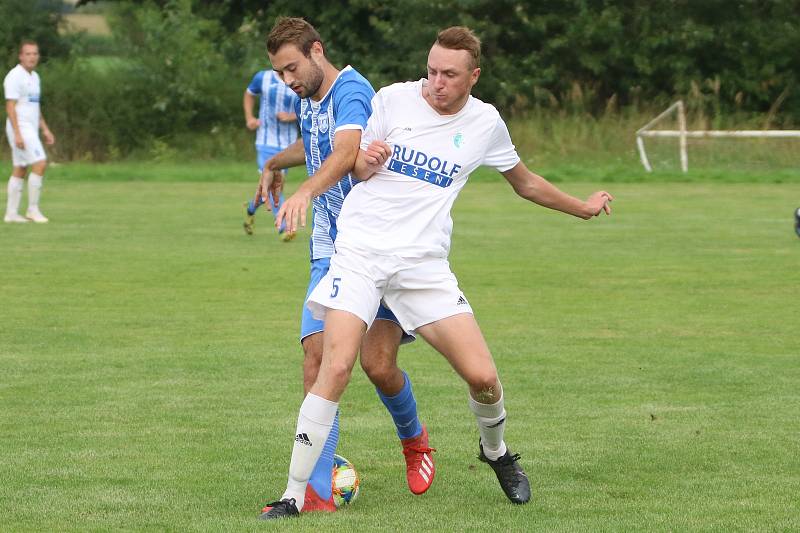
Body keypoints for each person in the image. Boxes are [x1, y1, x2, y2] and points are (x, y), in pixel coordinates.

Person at [260, 26, 614, 519]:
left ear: (473, 76)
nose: (436, 83)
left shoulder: (486, 123)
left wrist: (582, 208)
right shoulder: (392, 99)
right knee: (334, 366)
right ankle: (294, 496)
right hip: (359, 254)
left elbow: (525, 182)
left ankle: (496, 452)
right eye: (431, 70)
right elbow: (355, 165)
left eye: (449, 74)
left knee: (483, 378)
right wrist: (365, 159)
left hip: (422, 268)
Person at [254, 17, 435, 517]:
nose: (288, 80)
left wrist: (306, 191)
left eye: (292, 68)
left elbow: (345, 151)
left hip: (378, 247)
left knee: (378, 366)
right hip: (330, 250)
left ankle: (414, 439)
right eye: (280, 73)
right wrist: (274, 164)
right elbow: (311, 149)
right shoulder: (305, 97)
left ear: (317, 50)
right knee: (318, 360)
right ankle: (313, 494)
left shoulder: (352, 91)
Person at [241, 67, 298, 239]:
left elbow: (309, 107)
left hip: (288, 144)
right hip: (265, 142)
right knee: (273, 184)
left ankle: (251, 209)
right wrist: (249, 118)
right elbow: (249, 94)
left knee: (272, 187)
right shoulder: (263, 77)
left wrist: (291, 116)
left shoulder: (298, 78)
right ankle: (284, 227)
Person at [4, 40, 55, 224]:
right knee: (40, 163)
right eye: (28, 53)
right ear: (21, 56)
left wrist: (45, 129)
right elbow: (10, 106)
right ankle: (33, 210)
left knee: (20, 167)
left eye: (35, 53)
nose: (32, 57)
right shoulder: (14, 76)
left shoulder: (35, 77)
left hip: (31, 128)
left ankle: (11, 214)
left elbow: (35, 106)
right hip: (21, 128)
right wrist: (17, 133)